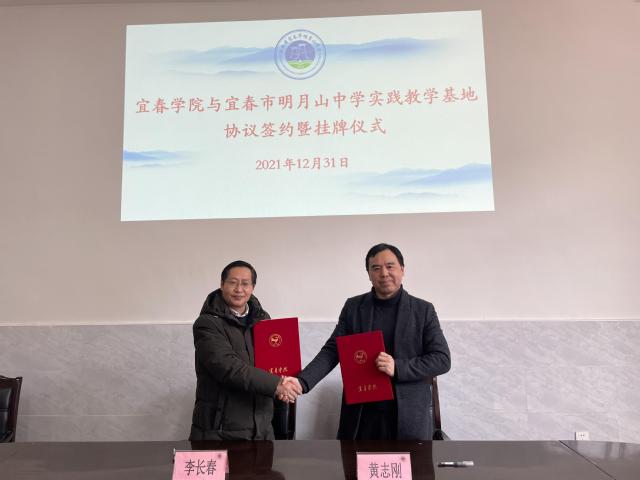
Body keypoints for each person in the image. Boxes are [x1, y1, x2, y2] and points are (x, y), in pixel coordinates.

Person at [294, 243, 451, 440]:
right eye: (376, 268)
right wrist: (302, 381)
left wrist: (398, 367)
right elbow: (332, 350)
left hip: (408, 417)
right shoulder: (353, 307)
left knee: (406, 462)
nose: (384, 273)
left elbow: (442, 359)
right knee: (355, 462)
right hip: (361, 416)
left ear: (402, 270)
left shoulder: (423, 310)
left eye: (390, 266)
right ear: (368, 274)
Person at [189, 260, 301, 441]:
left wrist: (286, 381)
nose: (239, 289)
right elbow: (228, 367)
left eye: (245, 283)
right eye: (233, 283)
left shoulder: (263, 321)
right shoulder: (207, 324)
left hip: (262, 428)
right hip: (221, 429)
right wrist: (277, 384)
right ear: (222, 284)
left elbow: (274, 363)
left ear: (253, 287)